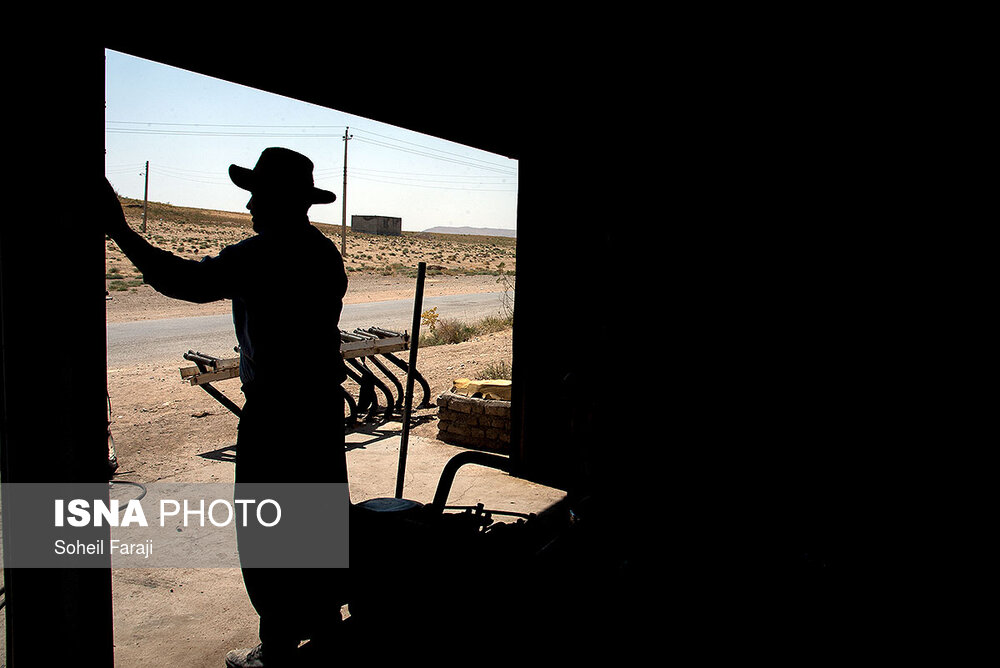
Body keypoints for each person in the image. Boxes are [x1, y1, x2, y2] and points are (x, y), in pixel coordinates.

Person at [102, 147, 349, 667]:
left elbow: (183, 281)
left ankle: (278, 648)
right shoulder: (323, 254)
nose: (251, 205)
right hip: (319, 414)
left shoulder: (262, 256)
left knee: (268, 537)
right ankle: (326, 634)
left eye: (258, 195)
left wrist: (120, 230)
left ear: (281, 200)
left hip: (276, 420)